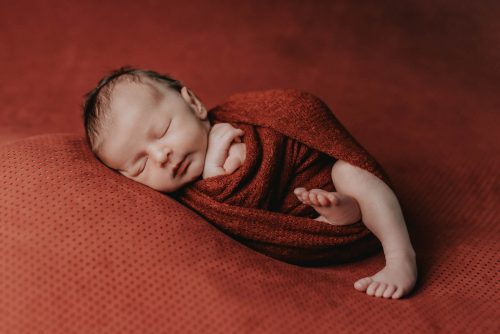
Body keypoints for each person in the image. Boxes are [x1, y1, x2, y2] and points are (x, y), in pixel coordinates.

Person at [83, 67, 417, 299]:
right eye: (140, 165)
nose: (162, 156)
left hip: (319, 175)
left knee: (350, 173)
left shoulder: (236, 128)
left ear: (194, 104)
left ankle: (400, 256)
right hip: (300, 228)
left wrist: (234, 160)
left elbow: (295, 116)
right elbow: (244, 217)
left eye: (162, 131)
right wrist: (214, 173)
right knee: (331, 199)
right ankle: (336, 217)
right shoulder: (190, 195)